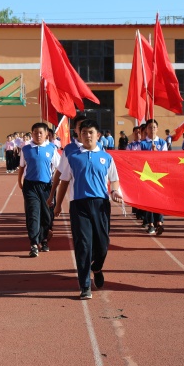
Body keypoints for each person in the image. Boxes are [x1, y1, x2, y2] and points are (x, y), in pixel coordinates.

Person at [54, 119, 122, 300]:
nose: (87, 135)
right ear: (80, 135)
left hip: (101, 205)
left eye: (90, 132)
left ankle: (97, 267)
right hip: (79, 205)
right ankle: (85, 285)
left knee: (102, 244)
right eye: (84, 133)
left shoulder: (106, 157)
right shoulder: (73, 156)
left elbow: (114, 178)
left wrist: (115, 191)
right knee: (83, 245)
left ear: (98, 135)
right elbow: (64, 181)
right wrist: (58, 203)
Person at [19, 122, 61, 257]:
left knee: (47, 215)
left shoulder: (51, 148)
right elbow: (21, 167)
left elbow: (60, 167)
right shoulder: (26, 149)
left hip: (47, 187)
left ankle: (44, 239)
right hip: (30, 186)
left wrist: (57, 183)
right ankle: (33, 243)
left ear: (46, 134)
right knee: (33, 214)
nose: (38, 135)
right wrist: (19, 181)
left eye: (40, 133)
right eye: (35, 133)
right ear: (32, 134)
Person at [140, 119, 168, 235]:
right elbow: (136, 159)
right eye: (150, 127)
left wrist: (157, 152)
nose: (152, 129)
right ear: (146, 129)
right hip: (146, 176)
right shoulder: (141, 144)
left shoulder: (162, 143)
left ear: (158, 129)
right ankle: (150, 223)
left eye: (154, 127)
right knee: (148, 200)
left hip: (159, 175)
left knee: (159, 199)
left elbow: (166, 159)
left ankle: (159, 223)